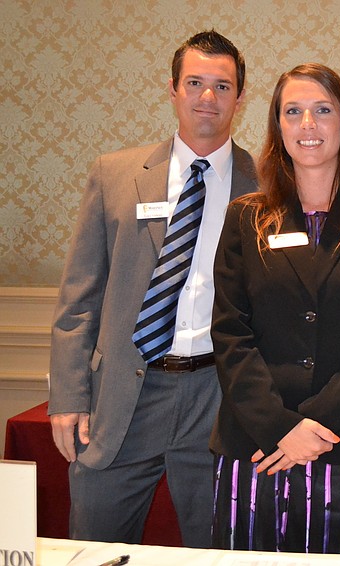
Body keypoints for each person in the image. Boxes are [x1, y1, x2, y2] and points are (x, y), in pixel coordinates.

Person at [47, 30, 255, 546]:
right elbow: (79, 301)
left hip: (219, 396)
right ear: (172, 89)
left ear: (240, 97)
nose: (208, 97)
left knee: (220, 553)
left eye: (222, 86)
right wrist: (67, 397)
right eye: (195, 83)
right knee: (91, 546)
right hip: (123, 396)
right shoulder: (114, 174)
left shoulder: (269, 182)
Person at [209, 63, 340, 556]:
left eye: (323, 111)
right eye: (293, 111)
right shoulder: (246, 217)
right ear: (277, 126)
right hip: (258, 445)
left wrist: (312, 429)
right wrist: (281, 430)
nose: (308, 124)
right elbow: (230, 333)